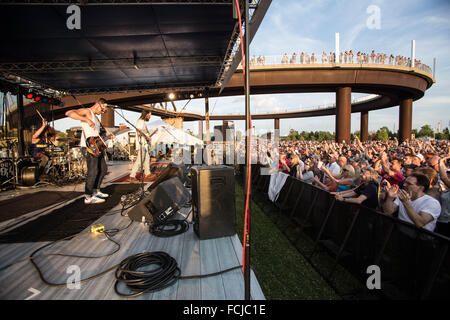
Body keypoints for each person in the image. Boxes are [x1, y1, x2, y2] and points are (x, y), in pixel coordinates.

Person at [65, 98, 111, 204]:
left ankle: (96, 191)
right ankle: (88, 196)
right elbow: (68, 113)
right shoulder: (87, 112)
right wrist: (86, 119)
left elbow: (97, 135)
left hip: (97, 146)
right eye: (102, 110)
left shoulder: (95, 117)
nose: (102, 112)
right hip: (89, 146)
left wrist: (108, 137)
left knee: (103, 169)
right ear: (99, 105)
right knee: (93, 171)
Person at [130, 110, 158, 182]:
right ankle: (132, 176)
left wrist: (153, 133)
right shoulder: (140, 121)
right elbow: (139, 132)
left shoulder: (144, 123)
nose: (150, 117)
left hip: (145, 144)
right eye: (149, 115)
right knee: (140, 160)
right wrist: (146, 137)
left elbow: (146, 134)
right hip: (141, 143)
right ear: (146, 114)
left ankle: (147, 173)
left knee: (146, 159)